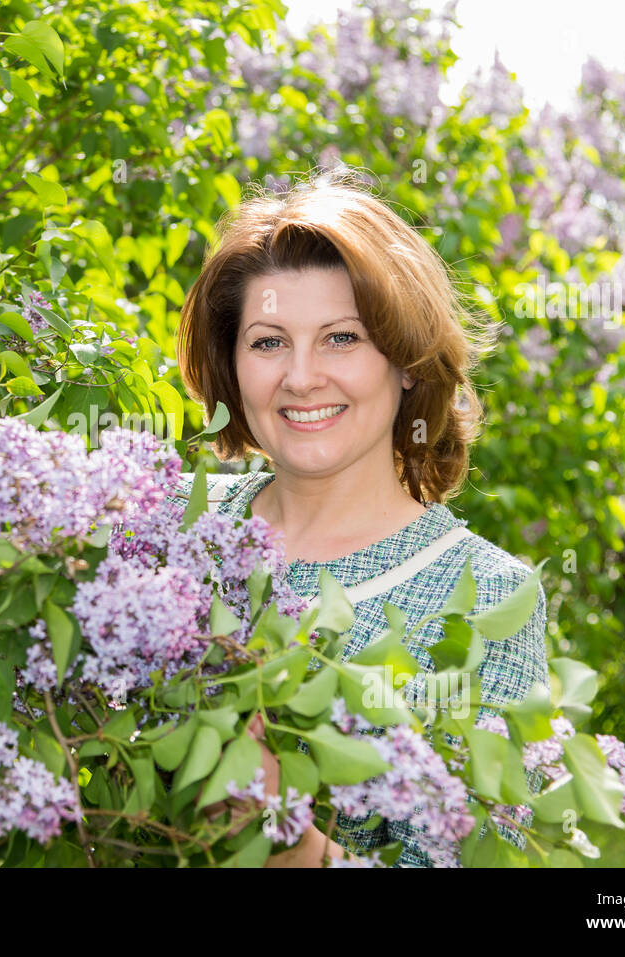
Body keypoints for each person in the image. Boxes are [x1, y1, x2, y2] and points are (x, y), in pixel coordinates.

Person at [168, 167, 550, 866]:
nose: (302, 376)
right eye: (268, 341)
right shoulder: (168, 525)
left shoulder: (492, 594)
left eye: (341, 338)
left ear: (406, 361)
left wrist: (292, 844)